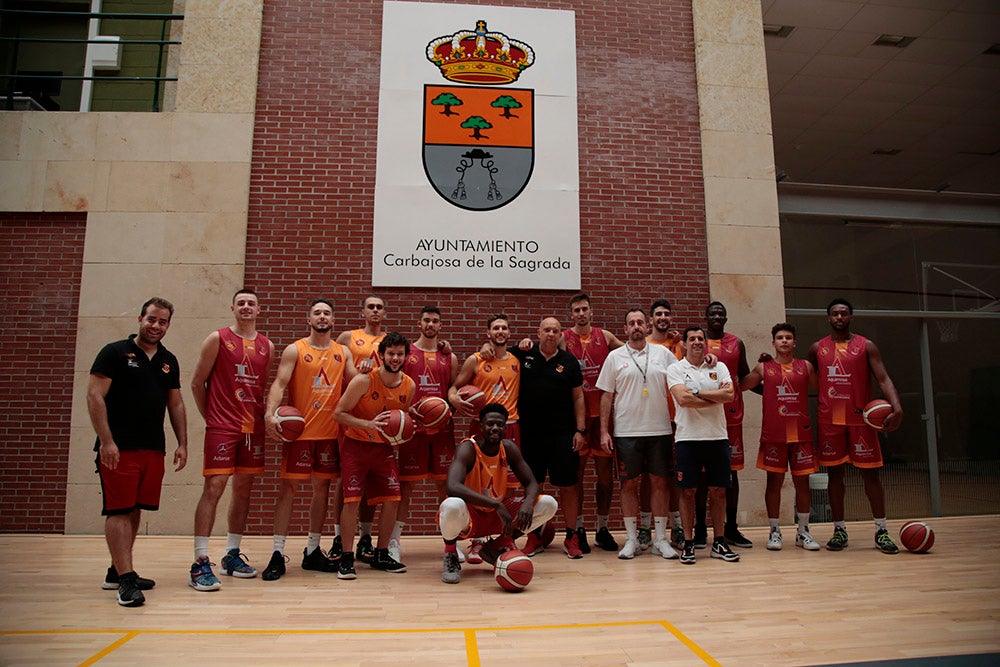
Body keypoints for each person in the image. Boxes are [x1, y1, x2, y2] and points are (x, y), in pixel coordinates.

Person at [87, 297, 188, 607]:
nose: (156, 325)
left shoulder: (168, 360)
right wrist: (106, 441)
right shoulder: (114, 352)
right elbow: (94, 396)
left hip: (152, 447)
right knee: (118, 509)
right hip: (119, 448)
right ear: (140, 319)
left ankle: (117, 571)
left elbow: (175, 403)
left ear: (168, 325)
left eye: (162, 321)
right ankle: (127, 581)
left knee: (134, 509)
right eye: (151, 319)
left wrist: (182, 443)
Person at [260, 299, 356, 581]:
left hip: (329, 435)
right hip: (299, 434)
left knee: (321, 491)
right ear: (309, 319)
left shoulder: (343, 352)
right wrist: (270, 414)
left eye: (327, 313)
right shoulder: (295, 349)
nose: (322, 316)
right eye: (317, 313)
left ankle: (312, 550)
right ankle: (277, 553)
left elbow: (358, 383)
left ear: (333, 320)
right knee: (287, 490)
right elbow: (279, 383)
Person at [189, 289, 273, 591]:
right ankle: (200, 561)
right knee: (214, 487)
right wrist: (211, 417)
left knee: (243, 489)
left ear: (259, 310)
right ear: (233, 308)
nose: (246, 307)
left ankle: (232, 554)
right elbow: (197, 383)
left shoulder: (267, 346)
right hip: (222, 426)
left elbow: (260, 388)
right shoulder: (217, 338)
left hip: (252, 428)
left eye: (251, 303)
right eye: (241, 303)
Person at [807, 298, 904, 554]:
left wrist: (897, 407)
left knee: (870, 475)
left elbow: (883, 378)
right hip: (830, 421)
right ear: (828, 318)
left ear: (851, 317)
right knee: (835, 476)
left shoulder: (866, 345)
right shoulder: (817, 348)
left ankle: (881, 531)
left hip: (861, 420)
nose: (839, 317)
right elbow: (804, 374)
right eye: (835, 314)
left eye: (844, 313)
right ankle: (839, 530)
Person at [438, 403, 558, 584]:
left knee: (548, 503)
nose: (495, 428)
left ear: (505, 427)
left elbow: (531, 482)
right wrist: (495, 504)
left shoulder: (508, 448)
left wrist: (527, 504)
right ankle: (450, 554)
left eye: (500, 424)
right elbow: (452, 486)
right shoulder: (468, 449)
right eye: (490, 424)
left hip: (497, 515)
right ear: (481, 426)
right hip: (471, 515)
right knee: (452, 504)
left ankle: (497, 545)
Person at [595, 308, 679, 561]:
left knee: (660, 483)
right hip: (626, 432)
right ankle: (632, 539)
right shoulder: (614, 357)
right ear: (625, 329)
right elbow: (606, 395)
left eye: (640, 322)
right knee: (628, 484)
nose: (636, 327)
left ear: (647, 325)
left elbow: (682, 379)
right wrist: (604, 431)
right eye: (631, 323)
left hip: (660, 429)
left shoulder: (664, 354)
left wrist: (706, 360)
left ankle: (661, 539)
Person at [333, 331, 416, 579]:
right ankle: (346, 557)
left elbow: (400, 419)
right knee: (351, 501)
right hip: (356, 447)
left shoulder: (409, 385)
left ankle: (381, 553)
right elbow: (339, 413)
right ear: (381, 355)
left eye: (399, 354)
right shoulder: (363, 381)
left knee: (393, 499)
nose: (395, 358)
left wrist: (407, 427)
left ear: (405, 356)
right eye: (390, 353)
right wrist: (368, 424)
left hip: (383, 450)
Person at [509, 317, 587, 558]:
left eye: (555, 331)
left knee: (568, 486)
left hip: (563, 435)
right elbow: (495, 351)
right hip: (531, 435)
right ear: (538, 333)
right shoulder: (524, 354)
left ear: (560, 335)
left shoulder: (569, 362)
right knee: (534, 486)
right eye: (547, 330)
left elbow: (578, 397)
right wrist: (516, 345)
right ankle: (534, 536)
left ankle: (571, 537)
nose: (551, 334)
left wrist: (581, 430)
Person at [447, 312, 522, 560]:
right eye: (495, 328)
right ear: (488, 333)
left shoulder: (517, 359)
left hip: (511, 425)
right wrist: (454, 399)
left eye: (504, 328)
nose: (500, 332)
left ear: (509, 333)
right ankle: (477, 540)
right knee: (477, 484)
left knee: (509, 487)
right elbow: (454, 387)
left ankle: (504, 539)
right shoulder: (476, 359)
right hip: (482, 427)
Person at [740, 323, 820, 551]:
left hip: (801, 434)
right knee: (773, 483)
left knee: (802, 483)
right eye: (780, 337)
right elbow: (741, 385)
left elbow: (823, 388)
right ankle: (774, 531)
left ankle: (803, 531)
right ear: (773, 343)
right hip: (774, 435)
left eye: (788, 337)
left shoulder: (806, 367)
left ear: (794, 343)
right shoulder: (764, 368)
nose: (784, 341)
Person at [668, 326, 740, 565]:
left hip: (717, 437)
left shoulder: (719, 367)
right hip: (687, 439)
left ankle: (719, 542)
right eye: (692, 339)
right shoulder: (676, 369)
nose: (697, 342)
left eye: (701, 338)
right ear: (684, 344)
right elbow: (682, 399)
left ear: (706, 343)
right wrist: (713, 396)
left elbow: (729, 395)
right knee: (687, 492)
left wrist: (698, 392)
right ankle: (689, 543)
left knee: (719, 491)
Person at [397, 306, 459, 562]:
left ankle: (451, 544)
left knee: (446, 488)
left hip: (442, 432)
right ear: (419, 324)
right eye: (426, 320)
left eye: (435, 321)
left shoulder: (449, 357)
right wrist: (405, 410)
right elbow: (398, 387)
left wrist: (449, 408)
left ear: (440, 325)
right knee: (405, 487)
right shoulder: (407, 353)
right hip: (414, 431)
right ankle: (394, 542)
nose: (430, 324)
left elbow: (453, 390)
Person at [563, 293, 623, 553]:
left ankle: (602, 528)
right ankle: (578, 529)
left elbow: (632, 350)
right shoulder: (564, 338)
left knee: (605, 478)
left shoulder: (605, 337)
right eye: (576, 310)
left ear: (591, 311)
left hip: (603, 418)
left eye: (584, 309)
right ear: (571, 314)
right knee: (576, 478)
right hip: (577, 418)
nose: (581, 313)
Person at [696, 301, 753, 549]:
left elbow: (745, 377)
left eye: (721, 313)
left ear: (726, 318)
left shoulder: (736, 343)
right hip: (703, 415)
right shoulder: (697, 341)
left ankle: (731, 528)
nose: (717, 316)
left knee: (731, 472)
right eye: (712, 313)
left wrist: (772, 382)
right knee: (701, 474)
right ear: (706, 317)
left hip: (731, 417)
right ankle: (700, 528)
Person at [336, 294, 388, 564]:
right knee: (344, 481)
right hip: (352, 417)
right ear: (363, 312)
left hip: (379, 419)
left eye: (379, 307)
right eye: (371, 307)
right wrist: (359, 371)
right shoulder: (348, 337)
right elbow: (335, 366)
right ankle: (339, 538)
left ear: (384, 313)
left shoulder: (390, 341)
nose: (375, 310)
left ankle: (365, 536)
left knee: (370, 482)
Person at [646, 298, 685, 548]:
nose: (663, 318)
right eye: (658, 314)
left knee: (675, 475)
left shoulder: (680, 344)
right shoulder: (643, 345)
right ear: (650, 319)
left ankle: (677, 526)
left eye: (666, 314)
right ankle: (644, 526)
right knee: (648, 476)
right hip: (650, 420)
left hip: (678, 420)